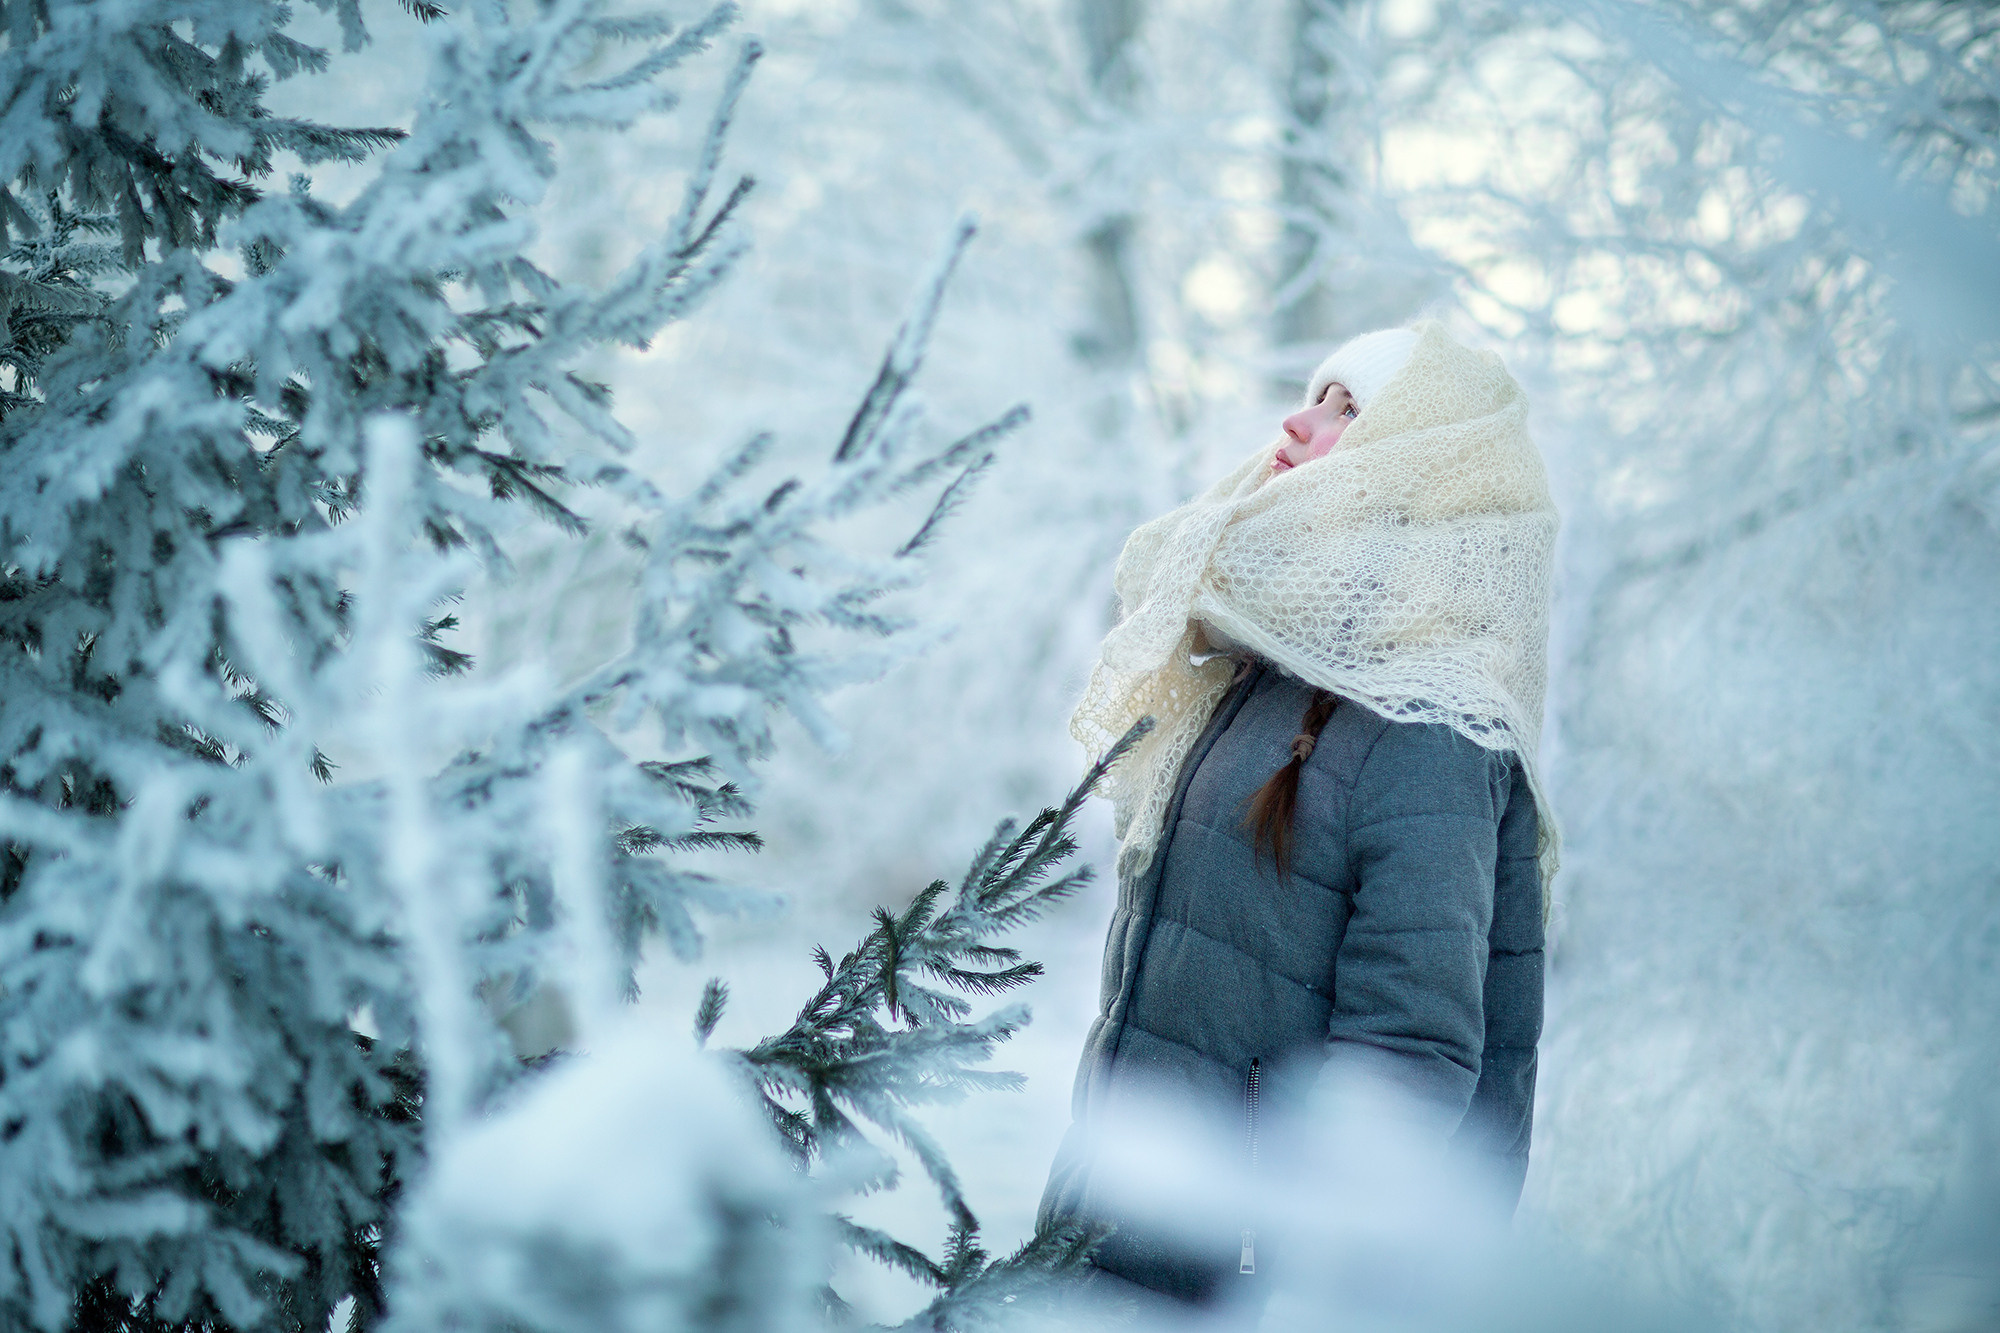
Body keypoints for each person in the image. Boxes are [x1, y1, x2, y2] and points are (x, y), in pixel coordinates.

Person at [1038, 321, 1560, 1307]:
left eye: (1347, 408)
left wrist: (1287, 1284)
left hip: (1250, 1272)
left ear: (1421, 460)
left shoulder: (1431, 726)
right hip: (1122, 1233)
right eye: (1314, 394)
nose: (1297, 419)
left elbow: (1408, 1060)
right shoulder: (1266, 667)